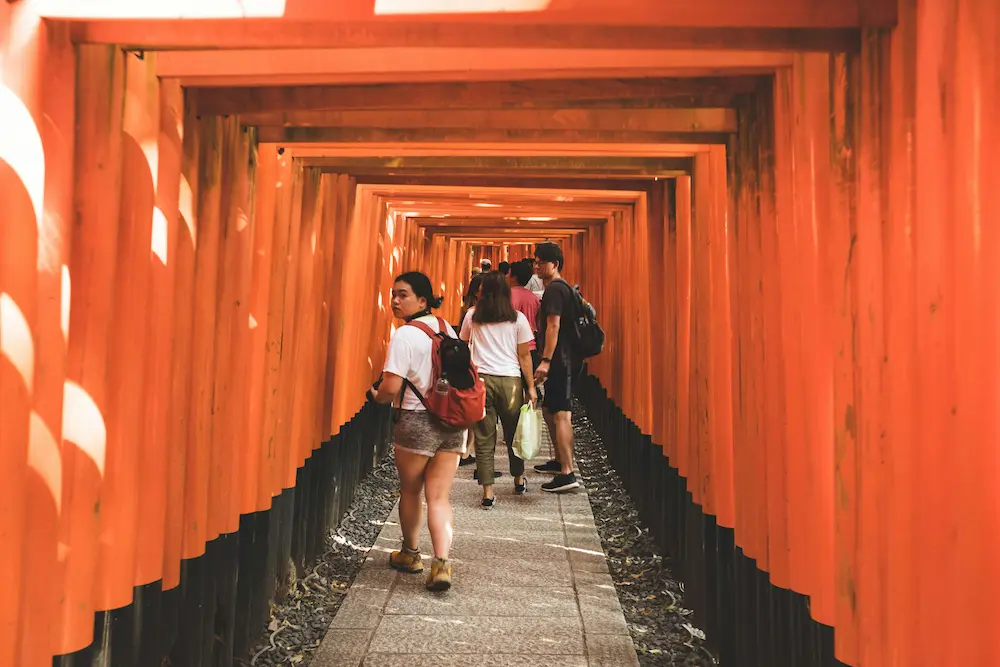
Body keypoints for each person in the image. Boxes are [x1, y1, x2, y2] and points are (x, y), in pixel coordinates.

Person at [368, 271, 462, 590]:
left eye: (403, 294)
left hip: (417, 420)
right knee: (439, 496)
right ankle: (443, 564)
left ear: (422, 300)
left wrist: (375, 396)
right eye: (393, 294)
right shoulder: (447, 328)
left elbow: (391, 387)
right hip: (452, 420)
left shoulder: (404, 335)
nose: (395, 300)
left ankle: (411, 554)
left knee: (411, 491)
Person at [460, 273, 538, 507]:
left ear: (482, 293)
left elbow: (464, 345)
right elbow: (524, 356)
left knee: (484, 437)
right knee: (514, 434)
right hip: (510, 381)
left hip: (481, 380)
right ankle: (518, 478)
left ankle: (488, 492)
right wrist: (531, 387)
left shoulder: (472, 315)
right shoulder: (518, 319)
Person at [531, 243, 581, 493]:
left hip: (560, 360)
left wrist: (546, 360)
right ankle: (561, 461)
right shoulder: (563, 289)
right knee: (550, 410)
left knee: (560, 413)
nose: (536, 266)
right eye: (535, 261)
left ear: (555, 264)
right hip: (565, 358)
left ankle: (567, 471)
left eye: (541, 262)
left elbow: (553, 326)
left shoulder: (554, 291)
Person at [507, 260, 542, 368]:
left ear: (514, 277)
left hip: (511, 347)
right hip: (530, 347)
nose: (506, 276)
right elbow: (538, 323)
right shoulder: (534, 298)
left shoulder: (506, 296)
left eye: (508, 274)